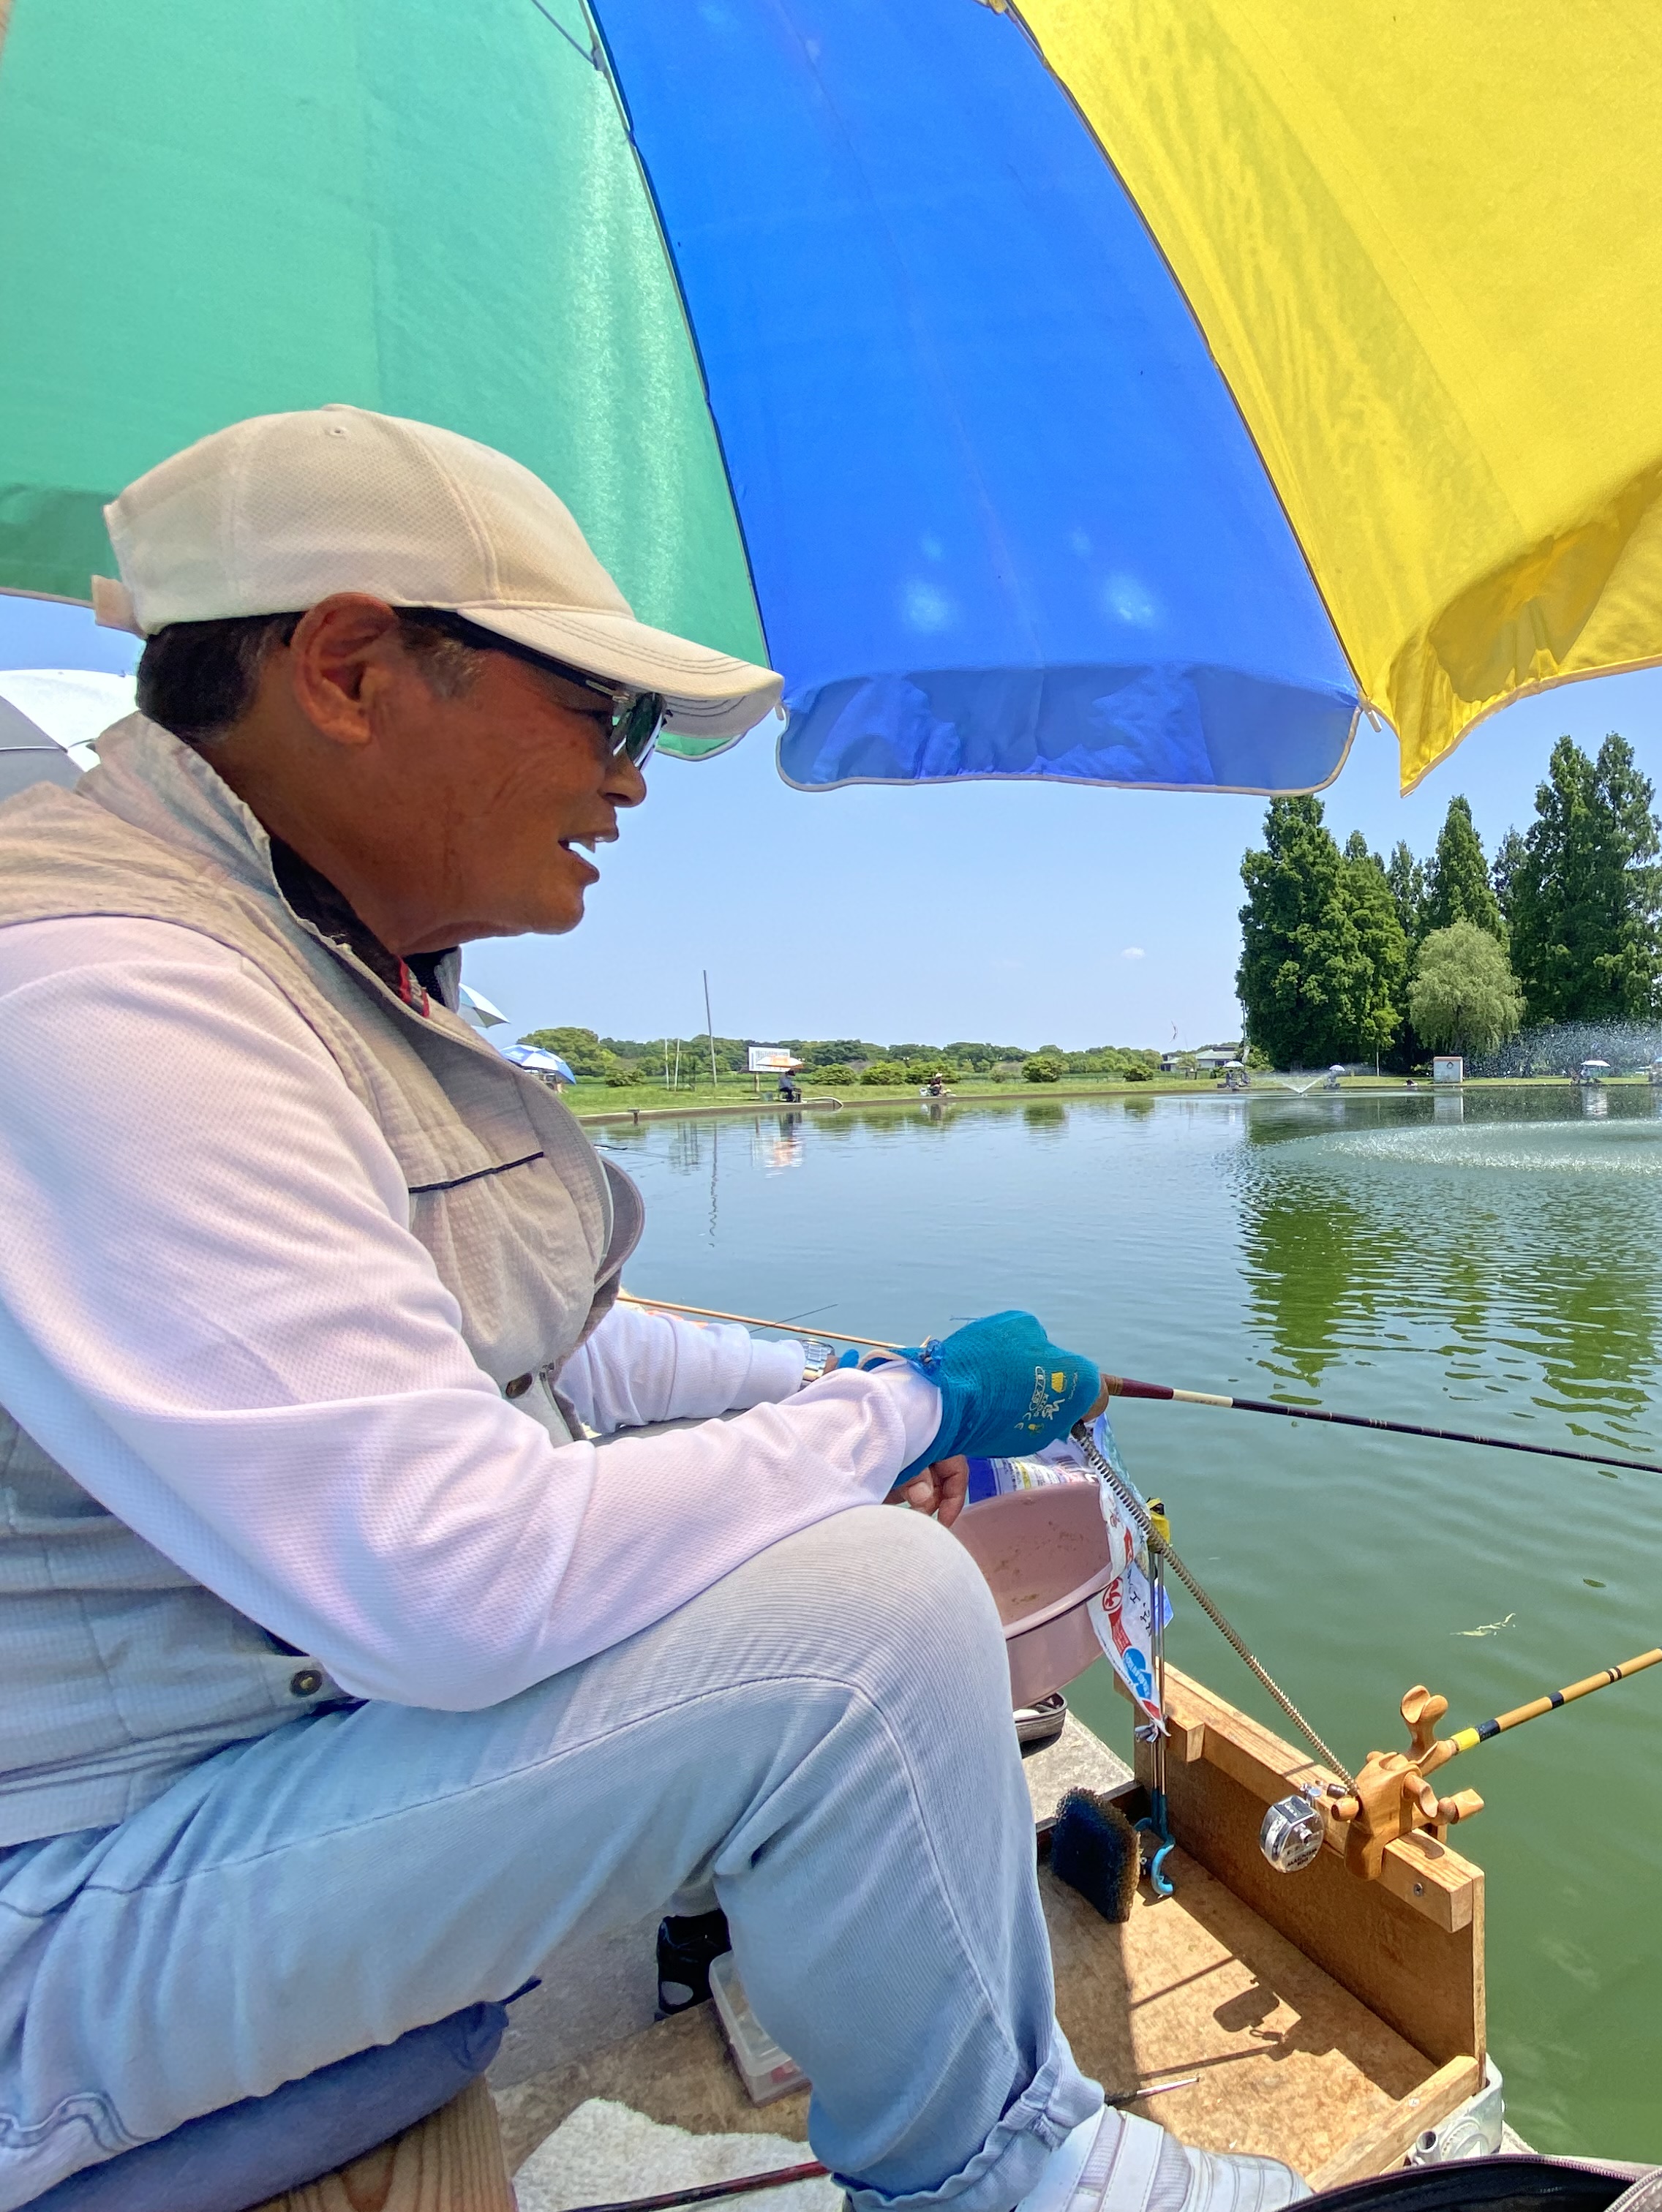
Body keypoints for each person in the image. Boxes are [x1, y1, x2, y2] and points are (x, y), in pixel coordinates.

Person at [0, 409, 1301, 2212]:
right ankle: (1016, 2177)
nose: (632, 784)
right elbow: (456, 1579)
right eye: (607, 715)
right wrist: (892, 1420)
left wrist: (852, 1384)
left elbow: (564, 1348)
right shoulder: (105, 994)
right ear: (351, 668)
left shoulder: (291, 951)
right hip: (68, 1920)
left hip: (237, 1796)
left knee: (816, 1543)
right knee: (865, 1632)